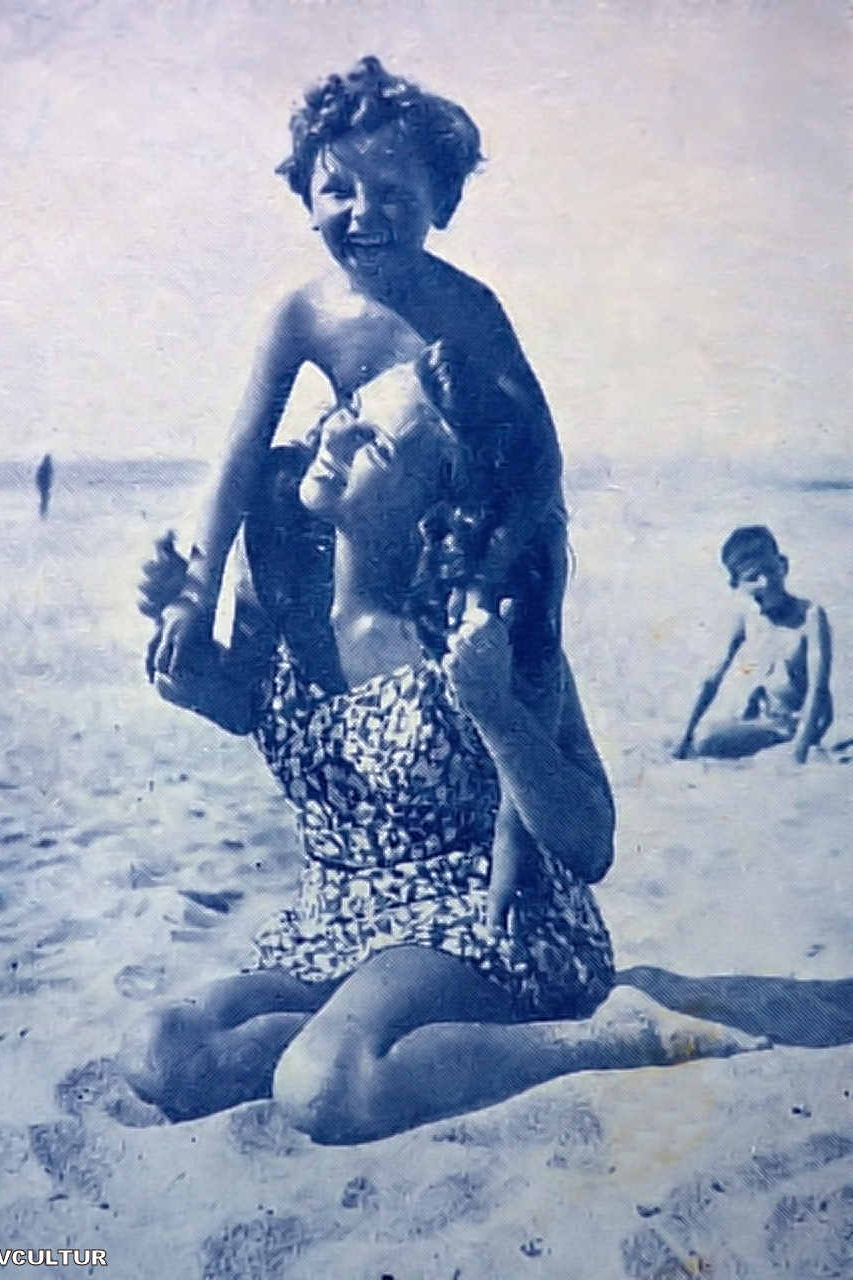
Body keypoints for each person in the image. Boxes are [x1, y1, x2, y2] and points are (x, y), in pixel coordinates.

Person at [121, 348, 765, 1144]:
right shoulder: (284, 581)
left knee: (327, 1088)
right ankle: (367, 1036)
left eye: (372, 442)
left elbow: (589, 841)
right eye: (347, 414)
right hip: (337, 916)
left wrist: (494, 709)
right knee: (164, 1051)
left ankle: (611, 1039)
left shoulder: (475, 626)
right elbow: (250, 709)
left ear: (436, 505)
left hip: (480, 916)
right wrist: (184, 665)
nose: (333, 435)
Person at [151, 55, 563, 688]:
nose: (365, 213)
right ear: (308, 202)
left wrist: (485, 578)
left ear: (442, 202)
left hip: (476, 532)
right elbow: (239, 458)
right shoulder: (305, 312)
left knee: (517, 673)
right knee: (277, 479)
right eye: (340, 190)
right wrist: (195, 597)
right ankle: (251, 681)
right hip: (369, 518)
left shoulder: (467, 308)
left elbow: (538, 456)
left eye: (392, 193)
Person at [674, 525, 832, 764]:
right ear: (736, 585)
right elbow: (711, 678)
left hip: (797, 722)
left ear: (783, 565)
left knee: (706, 739)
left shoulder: (810, 615)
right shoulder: (746, 617)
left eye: (770, 570)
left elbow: (818, 689)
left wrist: (799, 752)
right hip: (764, 720)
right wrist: (684, 735)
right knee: (699, 738)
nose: (765, 582)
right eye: (752, 578)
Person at [35, 453, 54, 518]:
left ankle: (43, 513)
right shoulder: (45, 467)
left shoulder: (45, 466)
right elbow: (39, 477)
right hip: (44, 486)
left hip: (45, 486)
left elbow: (38, 477)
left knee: (45, 499)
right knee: (44, 500)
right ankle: (43, 513)